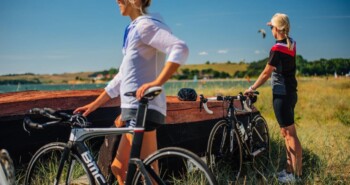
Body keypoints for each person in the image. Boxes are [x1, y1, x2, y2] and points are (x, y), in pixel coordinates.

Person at [74, 0, 189, 184]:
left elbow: (180, 48)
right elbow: (122, 76)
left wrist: (157, 83)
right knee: (134, 170)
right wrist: (95, 104)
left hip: (141, 108)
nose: (117, 1)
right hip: (139, 109)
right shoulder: (133, 29)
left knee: (131, 170)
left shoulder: (145, 25)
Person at [244, 13, 302, 183]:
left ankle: (296, 175)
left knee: (290, 135)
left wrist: (252, 88)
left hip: (281, 95)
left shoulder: (277, 49)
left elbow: (265, 73)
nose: (270, 30)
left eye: (271, 28)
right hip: (291, 93)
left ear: (276, 29)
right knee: (287, 133)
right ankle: (290, 171)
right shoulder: (291, 44)